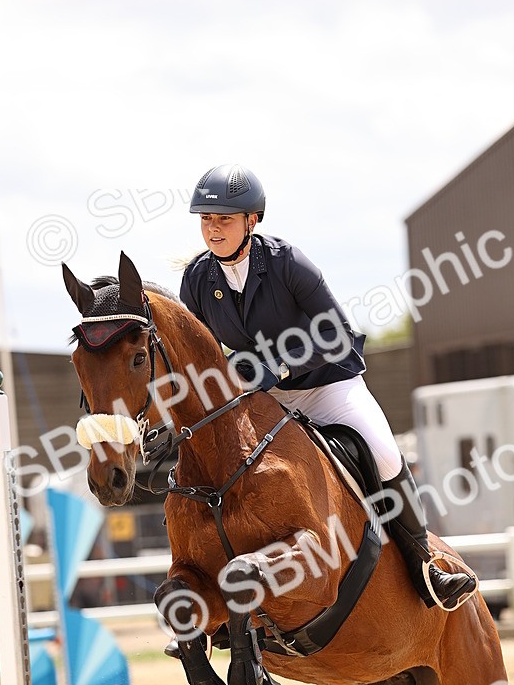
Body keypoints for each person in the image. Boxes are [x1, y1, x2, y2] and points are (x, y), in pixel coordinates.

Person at [179, 163, 476, 611]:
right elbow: (200, 354)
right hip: (265, 401)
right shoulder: (198, 279)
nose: (213, 229)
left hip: (327, 385)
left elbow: (336, 334)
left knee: (383, 451)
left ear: (252, 220)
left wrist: (276, 368)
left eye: (223, 219)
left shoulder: (287, 264)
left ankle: (425, 563)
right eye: (206, 219)